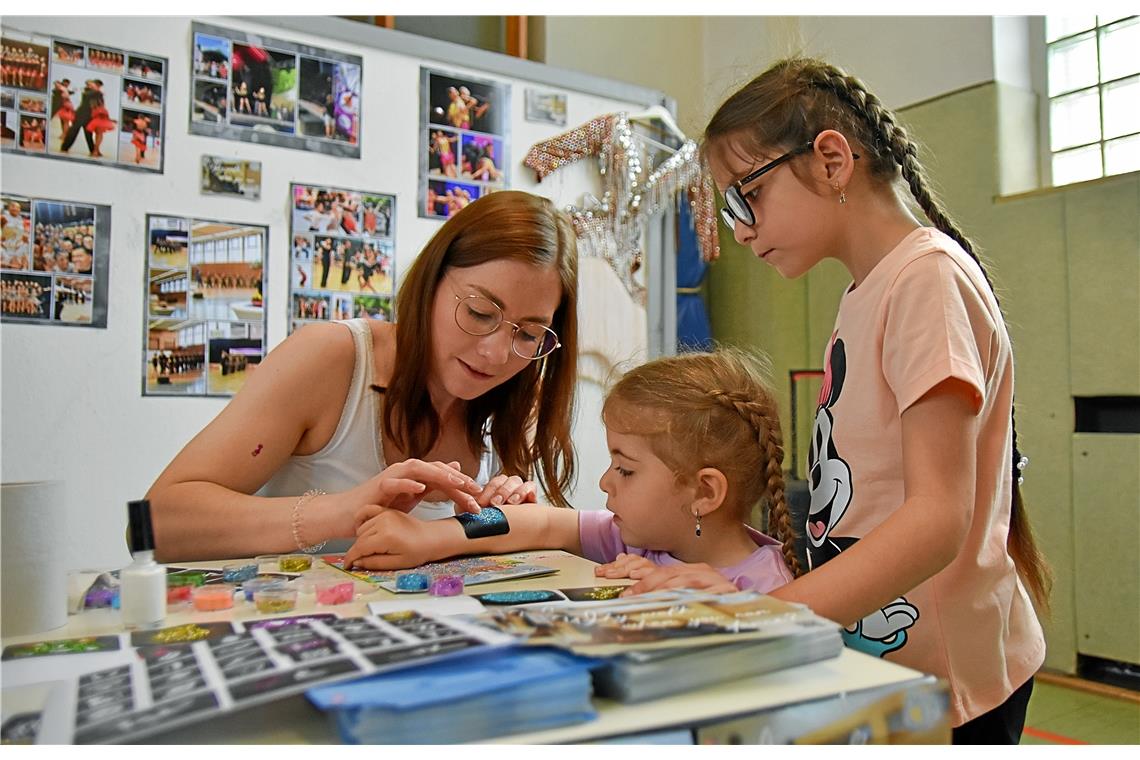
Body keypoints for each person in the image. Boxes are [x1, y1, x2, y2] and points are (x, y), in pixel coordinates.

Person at [619, 57, 1050, 744]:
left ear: (830, 161)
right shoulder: (866, 292)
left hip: (952, 682)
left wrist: (762, 612)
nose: (739, 230)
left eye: (746, 197)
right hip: (889, 661)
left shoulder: (924, 280)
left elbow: (940, 516)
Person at [147, 191, 580, 562]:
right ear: (431, 279)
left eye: (528, 333)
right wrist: (343, 511)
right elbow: (155, 523)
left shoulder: (516, 396)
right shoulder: (332, 357)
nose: (497, 353)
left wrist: (491, 526)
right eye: (480, 312)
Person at [345, 349, 800, 598]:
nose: (605, 482)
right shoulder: (636, 538)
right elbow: (535, 520)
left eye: (624, 468)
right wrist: (428, 537)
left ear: (704, 492)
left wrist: (735, 613)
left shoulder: (767, 587)